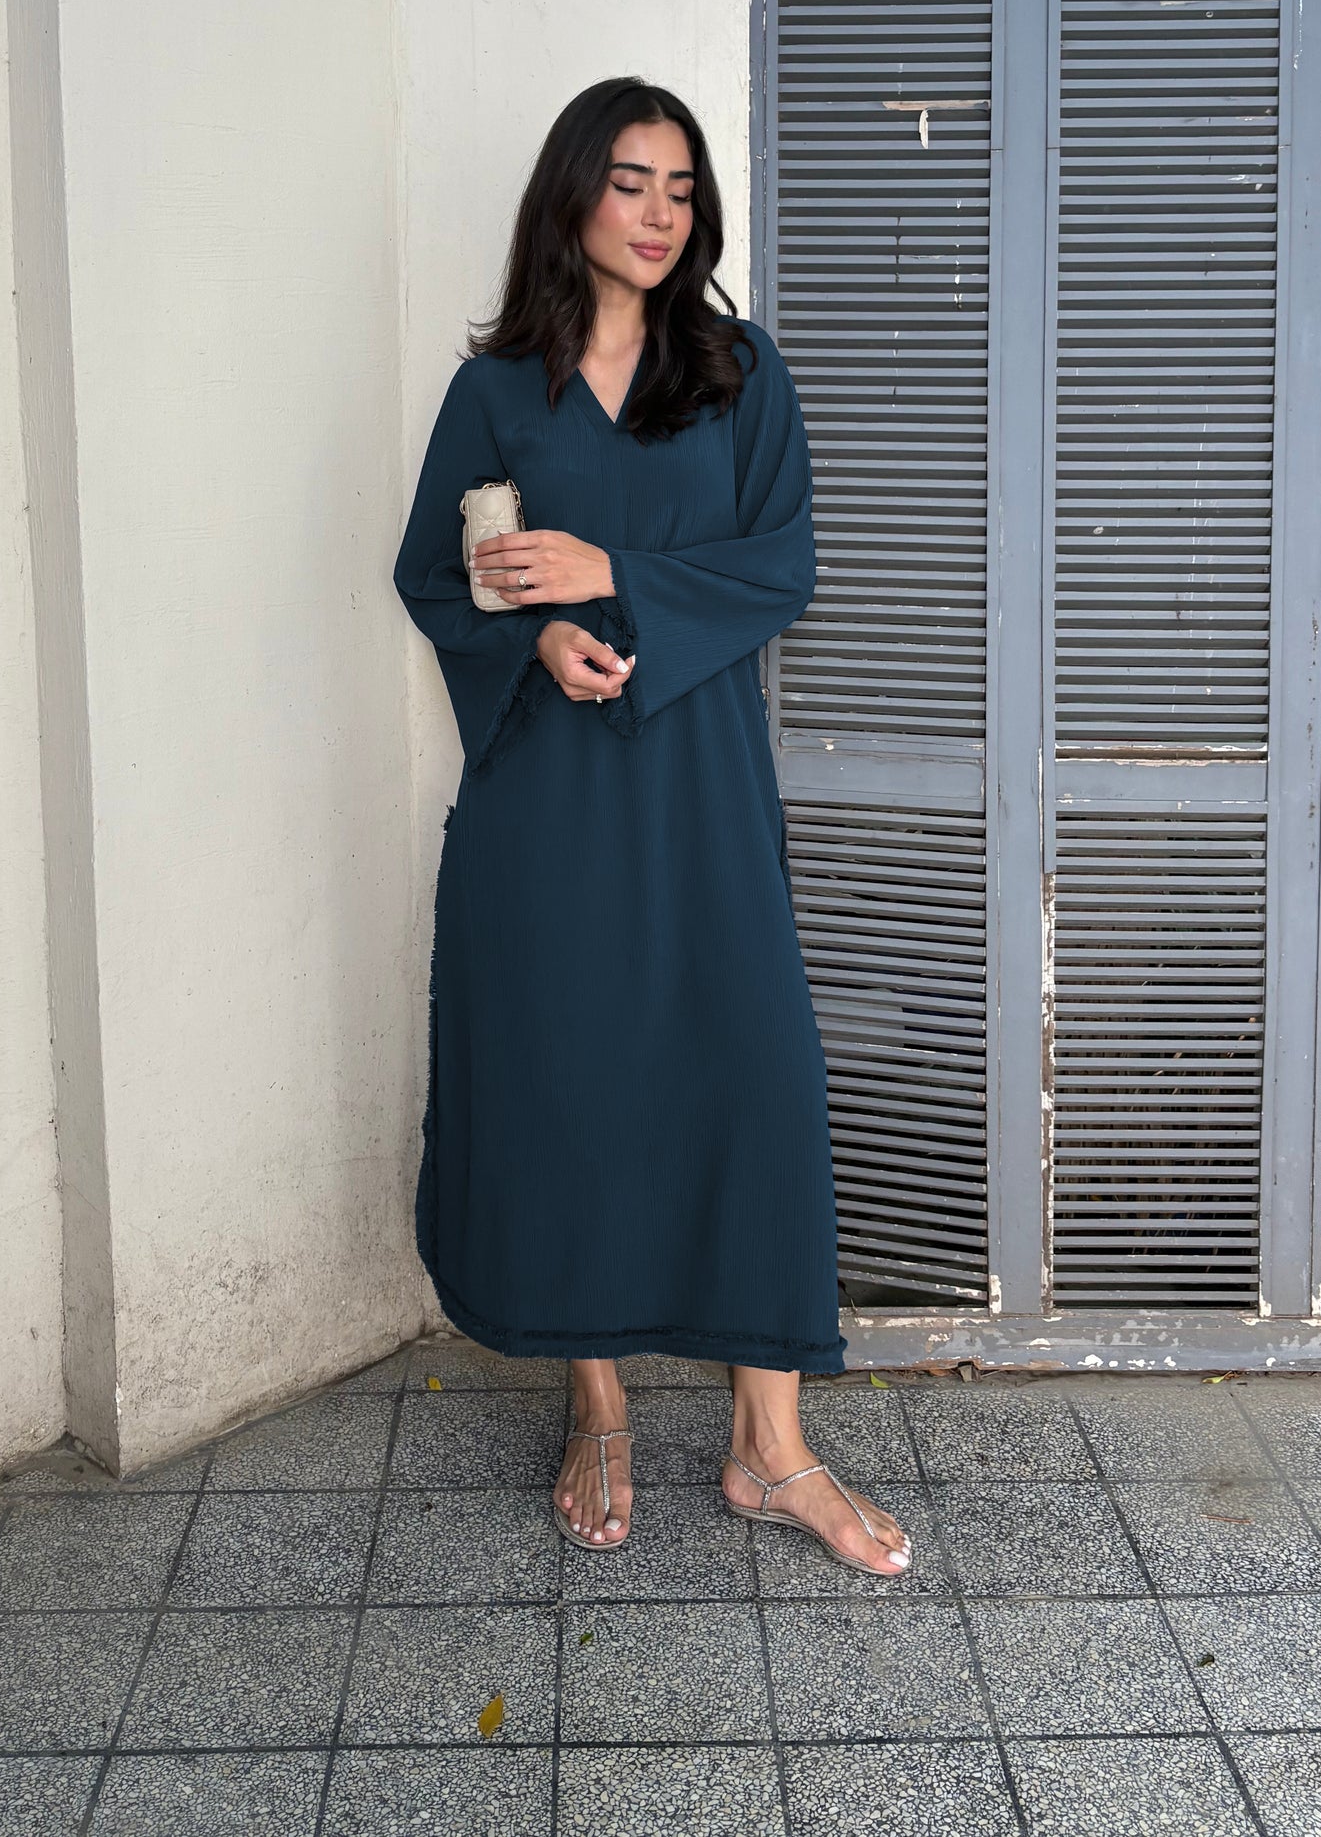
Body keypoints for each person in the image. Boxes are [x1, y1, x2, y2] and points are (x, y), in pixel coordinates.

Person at [393, 77, 910, 1577]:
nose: (659, 213)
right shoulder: (499, 392)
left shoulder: (738, 373)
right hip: (546, 793)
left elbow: (784, 563)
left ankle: (770, 1443)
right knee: (569, 1074)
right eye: (630, 182)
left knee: (754, 1070)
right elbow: (440, 572)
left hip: (699, 783)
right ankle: (599, 1399)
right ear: (572, 195)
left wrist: (613, 572)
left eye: (681, 188)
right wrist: (538, 639)